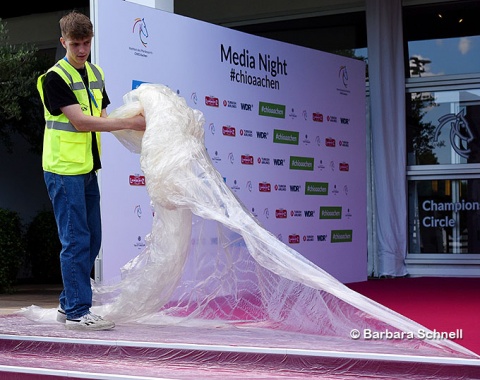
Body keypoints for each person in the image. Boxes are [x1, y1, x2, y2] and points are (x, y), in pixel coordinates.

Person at [37, 10, 146, 331]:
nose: (82, 50)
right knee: (75, 241)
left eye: (86, 43)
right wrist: (130, 122)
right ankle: (77, 312)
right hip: (62, 169)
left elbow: (103, 116)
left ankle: (67, 302)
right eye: (75, 44)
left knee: (92, 239)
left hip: (86, 168)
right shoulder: (54, 78)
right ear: (63, 42)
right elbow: (83, 123)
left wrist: (141, 122)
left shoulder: (95, 73)